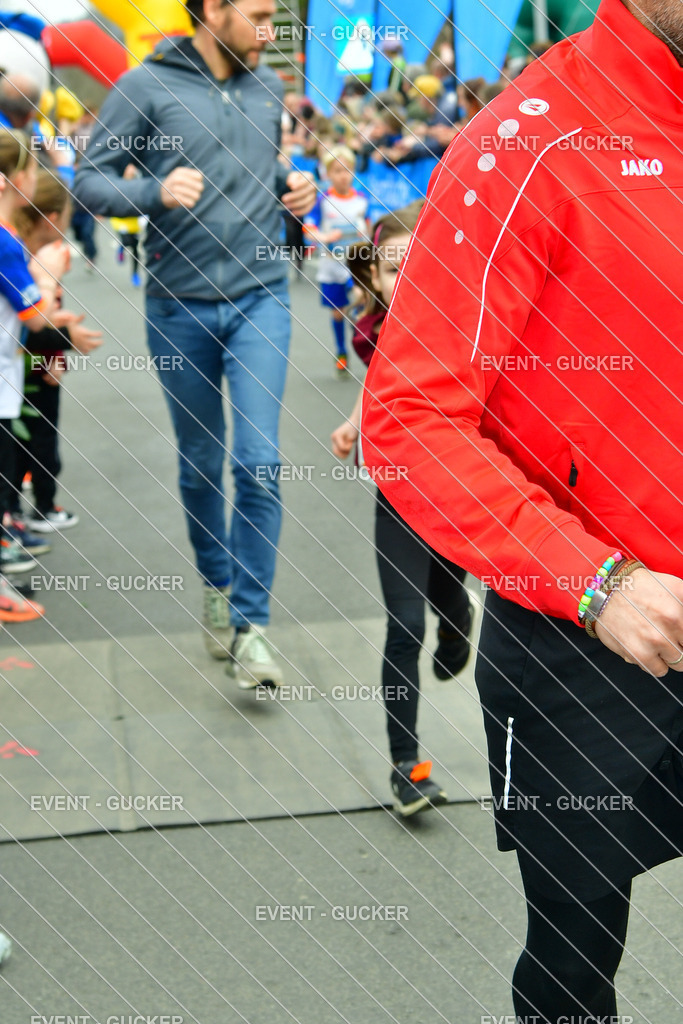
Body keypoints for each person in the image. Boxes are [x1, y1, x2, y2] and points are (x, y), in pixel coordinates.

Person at [362, 0, 683, 1018]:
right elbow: (407, 416)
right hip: (587, 641)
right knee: (571, 965)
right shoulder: (531, 134)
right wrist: (598, 582)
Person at [74, 0, 316, 685]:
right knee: (202, 462)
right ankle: (216, 585)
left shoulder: (266, 87)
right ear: (213, 10)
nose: (272, 30)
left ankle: (251, 626)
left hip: (260, 295)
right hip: (177, 306)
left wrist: (289, 187)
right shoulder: (144, 86)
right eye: (261, 15)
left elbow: (252, 173)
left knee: (260, 462)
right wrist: (153, 190)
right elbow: (87, 182)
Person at [332, 202, 472, 816]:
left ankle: (460, 620)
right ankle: (406, 767)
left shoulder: (468, 326)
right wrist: (356, 421)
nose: (404, 280)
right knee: (405, 625)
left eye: (419, 267)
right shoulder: (375, 333)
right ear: (376, 278)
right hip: (400, 492)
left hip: (461, 492)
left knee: (451, 598)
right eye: (391, 269)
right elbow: (387, 383)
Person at [0, 129, 69, 621]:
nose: (31, 178)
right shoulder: (6, 244)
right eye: (25, 169)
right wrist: (52, 291)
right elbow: (34, 315)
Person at [11, 167, 102, 537]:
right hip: (28, 370)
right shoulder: (30, 259)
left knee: (23, 442)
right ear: (51, 219)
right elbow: (31, 325)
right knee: (33, 442)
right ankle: (33, 510)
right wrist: (61, 345)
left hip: (28, 367)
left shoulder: (26, 252)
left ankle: (19, 512)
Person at [304, 144, 369, 376]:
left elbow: (369, 227)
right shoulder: (323, 199)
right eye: (338, 170)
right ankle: (341, 351)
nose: (344, 175)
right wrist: (323, 237)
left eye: (348, 169)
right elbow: (308, 227)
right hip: (331, 265)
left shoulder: (362, 199)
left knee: (362, 298)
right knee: (337, 312)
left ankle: (362, 345)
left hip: (355, 264)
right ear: (329, 174)